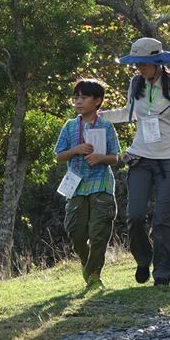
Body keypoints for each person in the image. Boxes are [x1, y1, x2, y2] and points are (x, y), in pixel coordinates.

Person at [103, 37, 170, 287]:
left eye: (143, 64)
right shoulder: (136, 83)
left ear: (157, 62)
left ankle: (163, 272)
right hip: (140, 157)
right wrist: (99, 116)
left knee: (162, 217)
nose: (139, 68)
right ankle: (143, 259)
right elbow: (128, 113)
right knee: (134, 216)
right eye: (136, 64)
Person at [54, 79, 121, 289]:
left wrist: (100, 158)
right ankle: (87, 265)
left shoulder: (106, 126)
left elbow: (116, 157)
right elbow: (59, 156)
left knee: (98, 232)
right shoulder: (70, 126)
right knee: (75, 231)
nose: (78, 102)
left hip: (101, 183)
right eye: (76, 97)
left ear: (97, 101)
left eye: (84, 97)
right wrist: (76, 150)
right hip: (76, 186)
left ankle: (94, 275)